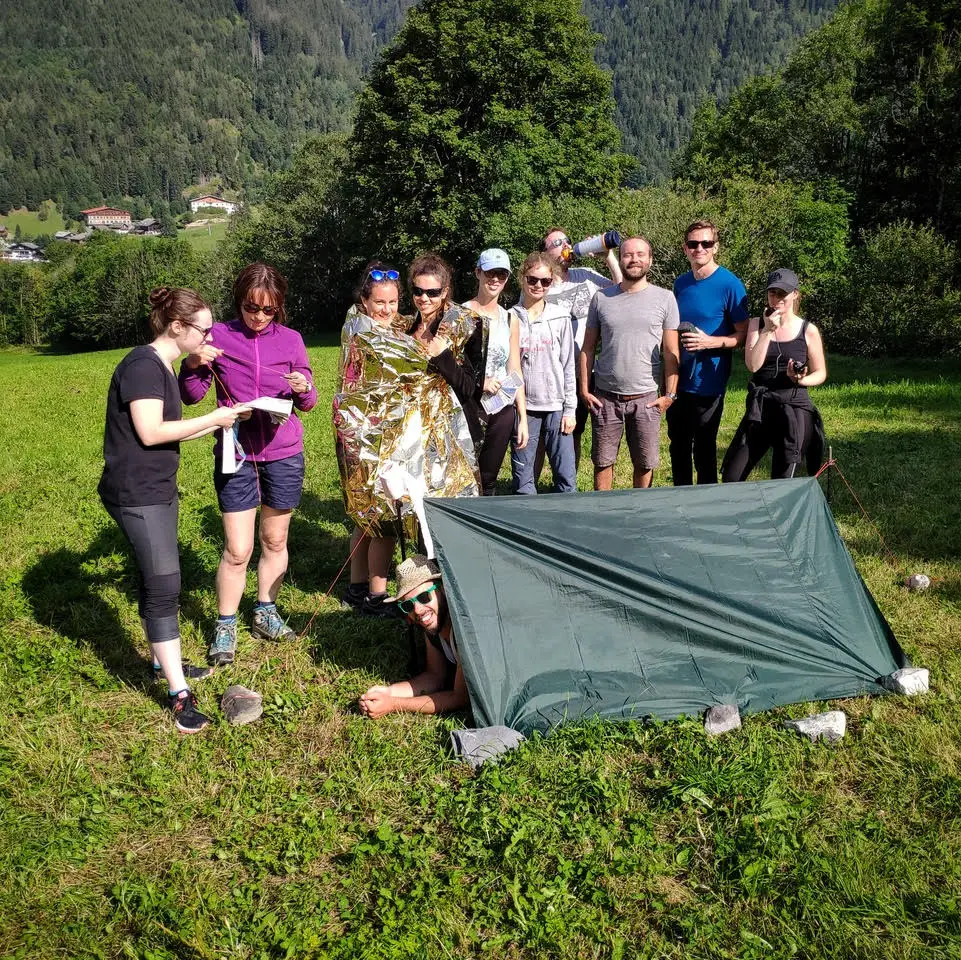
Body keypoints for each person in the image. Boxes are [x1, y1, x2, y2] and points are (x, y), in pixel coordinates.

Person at [98, 288, 250, 733]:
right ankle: (179, 695)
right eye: (203, 329)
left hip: (156, 488)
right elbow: (150, 431)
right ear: (177, 327)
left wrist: (210, 403)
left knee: (158, 578)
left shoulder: (162, 364)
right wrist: (215, 420)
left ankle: (162, 664)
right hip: (136, 492)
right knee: (165, 583)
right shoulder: (143, 367)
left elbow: (168, 430)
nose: (209, 336)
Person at [179, 264, 317, 666]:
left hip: (283, 452)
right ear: (238, 301)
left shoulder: (291, 340)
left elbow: (307, 402)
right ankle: (225, 624)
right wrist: (192, 364)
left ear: (279, 309)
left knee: (275, 541)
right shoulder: (219, 336)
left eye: (268, 311)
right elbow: (192, 395)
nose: (258, 318)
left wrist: (303, 387)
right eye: (250, 308)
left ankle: (265, 612)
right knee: (238, 549)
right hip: (235, 453)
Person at [579, 236, 680, 490]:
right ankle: (605, 513)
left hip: (646, 398)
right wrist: (584, 390)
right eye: (627, 254)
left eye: (640, 254)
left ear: (650, 260)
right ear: (620, 259)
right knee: (602, 461)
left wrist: (670, 394)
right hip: (605, 398)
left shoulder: (665, 298)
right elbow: (587, 348)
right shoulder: (602, 299)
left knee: (644, 463)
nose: (634, 259)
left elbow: (671, 352)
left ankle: (639, 512)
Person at [337, 262, 407, 616]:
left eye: (393, 302)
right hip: (370, 438)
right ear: (364, 300)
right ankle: (377, 597)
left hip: (362, 435)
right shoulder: (369, 334)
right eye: (380, 302)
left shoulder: (356, 322)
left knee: (364, 516)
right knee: (383, 520)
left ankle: (356, 586)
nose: (387, 310)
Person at [721, 269, 827, 481]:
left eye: (782, 293)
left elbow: (821, 373)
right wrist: (767, 331)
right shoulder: (755, 324)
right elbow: (753, 365)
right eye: (773, 293)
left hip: (794, 409)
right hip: (761, 408)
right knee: (731, 477)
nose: (777, 299)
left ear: (795, 294)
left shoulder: (808, 330)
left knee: (782, 482)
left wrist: (800, 379)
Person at [668, 220, 749, 485]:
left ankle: (705, 505)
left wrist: (709, 343)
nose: (699, 248)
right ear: (685, 249)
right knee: (677, 446)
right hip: (678, 379)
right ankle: (680, 502)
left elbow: (743, 335)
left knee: (703, 449)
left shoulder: (730, 285)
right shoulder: (681, 284)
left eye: (706, 243)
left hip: (709, 381)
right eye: (693, 244)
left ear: (716, 247)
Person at [540, 227, 623, 470]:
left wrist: (607, 255)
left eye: (567, 240)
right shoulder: (539, 284)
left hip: (585, 373)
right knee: (551, 434)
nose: (564, 245)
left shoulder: (585, 275)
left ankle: (569, 484)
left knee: (575, 431)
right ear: (545, 253)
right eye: (556, 242)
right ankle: (546, 487)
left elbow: (622, 289)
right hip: (551, 374)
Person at [358, 555, 468, 719]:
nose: (417, 610)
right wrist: (388, 691)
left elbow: (460, 698)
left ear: (443, 590)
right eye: (408, 605)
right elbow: (435, 676)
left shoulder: (463, 632)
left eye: (424, 597)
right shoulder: (432, 629)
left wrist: (393, 704)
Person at [462, 248, 528, 495]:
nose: (495, 279)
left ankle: (480, 528)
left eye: (501, 274)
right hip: (468, 404)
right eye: (490, 272)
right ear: (478, 272)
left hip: (501, 409)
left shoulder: (510, 318)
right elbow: (452, 363)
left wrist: (521, 414)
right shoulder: (460, 314)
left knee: (488, 477)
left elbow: (514, 367)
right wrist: (480, 381)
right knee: (463, 472)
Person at [510, 252, 577, 494]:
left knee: (566, 474)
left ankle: (568, 521)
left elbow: (569, 365)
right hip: (523, 408)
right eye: (532, 280)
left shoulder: (560, 317)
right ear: (523, 279)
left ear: (552, 282)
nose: (538, 285)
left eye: (545, 281)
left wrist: (570, 410)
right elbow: (508, 367)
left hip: (556, 407)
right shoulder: (510, 317)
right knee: (523, 478)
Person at [407, 252, 485, 447]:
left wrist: (443, 355)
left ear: (444, 292)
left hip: (452, 432)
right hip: (414, 427)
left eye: (432, 292)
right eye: (418, 291)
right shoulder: (406, 327)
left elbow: (469, 388)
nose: (424, 298)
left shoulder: (461, 328)